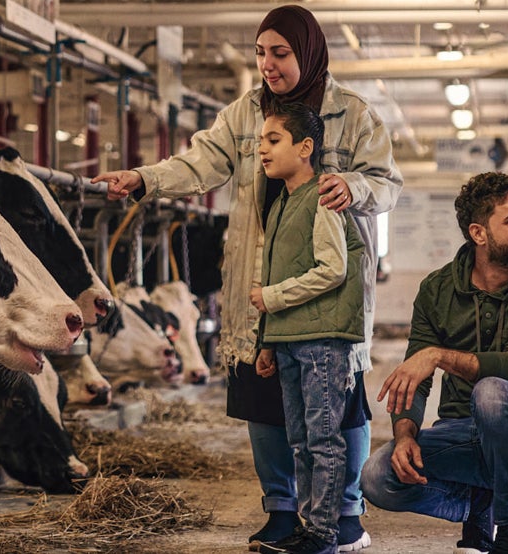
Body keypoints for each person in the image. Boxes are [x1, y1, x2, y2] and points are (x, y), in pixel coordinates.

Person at [93, 5, 401, 552]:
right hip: (262, 278)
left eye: (279, 53)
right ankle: (282, 509)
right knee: (265, 396)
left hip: (328, 281)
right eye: (261, 53)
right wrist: (144, 177)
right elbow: (201, 163)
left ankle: (346, 512)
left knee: (335, 400)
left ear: (306, 52)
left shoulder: (352, 114)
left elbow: (388, 183)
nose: (268, 65)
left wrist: (354, 186)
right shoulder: (244, 114)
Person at [361, 172, 508, 554]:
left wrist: (438, 355)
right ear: (478, 234)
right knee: (377, 476)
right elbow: (414, 380)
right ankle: (477, 509)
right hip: (465, 434)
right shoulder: (437, 290)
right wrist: (405, 435)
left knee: (492, 391)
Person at [247, 101, 369, 554]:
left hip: (321, 342)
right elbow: (282, 270)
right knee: (299, 441)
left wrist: (271, 299)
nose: (262, 149)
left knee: (323, 439)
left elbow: (333, 269)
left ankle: (323, 533)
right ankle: (308, 526)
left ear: (305, 147)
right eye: (261, 141)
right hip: (289, 338)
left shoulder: (322, 195)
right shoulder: (282, 202)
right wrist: (266, 340)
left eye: (272, 140)